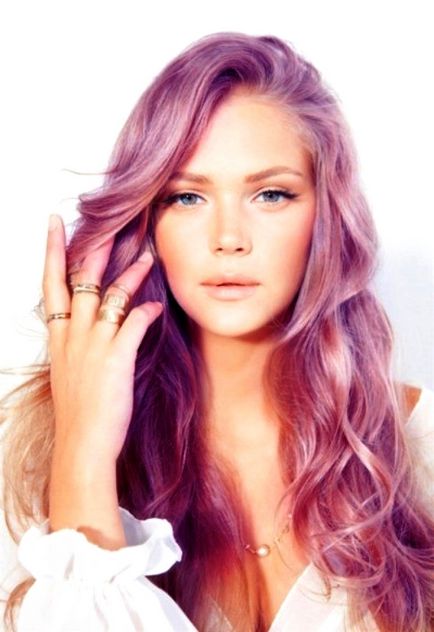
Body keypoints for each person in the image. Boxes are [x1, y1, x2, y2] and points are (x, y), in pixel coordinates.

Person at [0, 31, 433, 632]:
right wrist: (83, 454)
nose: (229, 238)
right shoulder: (25, 458)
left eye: (271, 194)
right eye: (187, 197)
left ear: (327, 216)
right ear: (147, 220)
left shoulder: (421, 447)